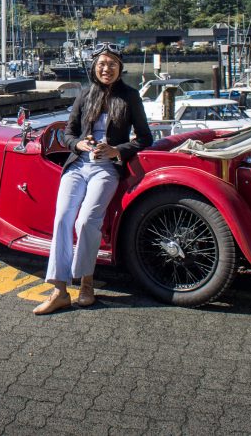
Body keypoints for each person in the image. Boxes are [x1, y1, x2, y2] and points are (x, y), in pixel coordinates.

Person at [33, 43, 153, 315]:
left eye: (111, 63)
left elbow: (146, 137)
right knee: (63, 218)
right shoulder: (85, 95)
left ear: (120, 68)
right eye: (101, 63)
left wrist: (116, 150)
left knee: (86, 220)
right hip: (78, 166)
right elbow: (68, 133)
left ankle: (86, 282)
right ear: (94, 68)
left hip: (106, 168)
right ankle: (59, 290)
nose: (106, 68)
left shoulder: (131, 97)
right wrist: (80, 145)